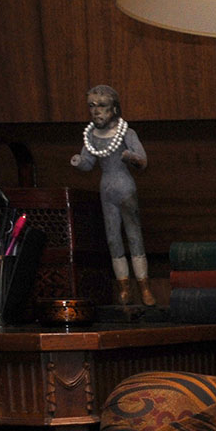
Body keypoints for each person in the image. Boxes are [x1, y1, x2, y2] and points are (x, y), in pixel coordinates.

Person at [69, 85, 149, 304]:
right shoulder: (91, 135)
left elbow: (142, 160)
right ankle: (124, 287)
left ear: (114, 108)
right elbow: (89, 163)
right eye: (92, 106)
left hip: (125, 189)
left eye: (102, 106)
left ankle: (144, 287)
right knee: (113, 238)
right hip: (106, 192)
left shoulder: (126, 132)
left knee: (134, 236)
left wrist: (130, 157)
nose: (96, 111)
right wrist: (79, 162)